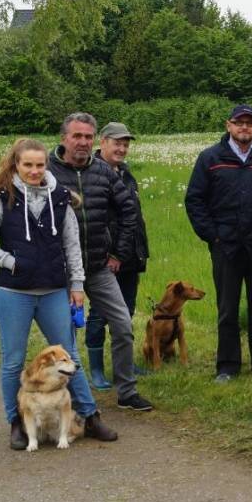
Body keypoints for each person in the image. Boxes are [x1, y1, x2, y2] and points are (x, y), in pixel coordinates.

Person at [0, 138, 118, 447]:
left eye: (40, 165)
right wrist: (10, 262)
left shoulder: (61, 197)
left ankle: (89, 416)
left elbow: (71, 245)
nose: (35, 170)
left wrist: (77, 285)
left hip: (54, 289)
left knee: (70, 355)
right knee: (12, 361)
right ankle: (17, 423)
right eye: (28, 165)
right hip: (13, 292)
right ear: (16, 165)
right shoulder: (3, 197)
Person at [48, 112, 153, 411]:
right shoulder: (48, 170)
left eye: (87, 136)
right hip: (59, 271)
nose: (82, 142)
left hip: (97, 266)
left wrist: (117, 253)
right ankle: (66, 396)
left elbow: (128, 211)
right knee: (63, 335)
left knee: (122, 324)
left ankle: (126, 391)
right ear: (64, 138)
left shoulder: (104, 172)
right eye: (77, 136)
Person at [185, 104, 252, 383]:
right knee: (227, 309)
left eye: (250, 123)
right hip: (225, 247)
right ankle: (227, 365)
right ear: (228, 125)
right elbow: (195, 201)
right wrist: (213, 236)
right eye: (239, 123)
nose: (244, 128)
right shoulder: (211, 158)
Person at [84, 121, 150, 390]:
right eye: (117, 142)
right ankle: (97, 370)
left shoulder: (126, 173)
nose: (122, 148)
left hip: (130, 255)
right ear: (103, 142)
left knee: (127, 311)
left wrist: (137, 252)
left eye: (126, 144)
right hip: (106, 258)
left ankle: (124, 363)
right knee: (100, 314)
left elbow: (132, 217)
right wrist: (111, 253)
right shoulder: (92, 173)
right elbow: (96, 220)